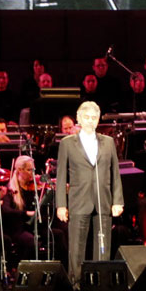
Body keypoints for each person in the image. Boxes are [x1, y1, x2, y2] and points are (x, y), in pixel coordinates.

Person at [55, 100, 125, 275]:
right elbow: (61, 176)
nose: (90, 121)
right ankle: (76, 283)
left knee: (103, 247)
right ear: (78, 118)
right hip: (79, 200)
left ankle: (100, 282)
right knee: (76, 248)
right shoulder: (67, 143)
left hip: (103, 200)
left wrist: (118, 201)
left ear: (98, 120)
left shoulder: (108, 142)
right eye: (86, 117)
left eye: (94, 118)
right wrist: (61, 205)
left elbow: (115, 173)